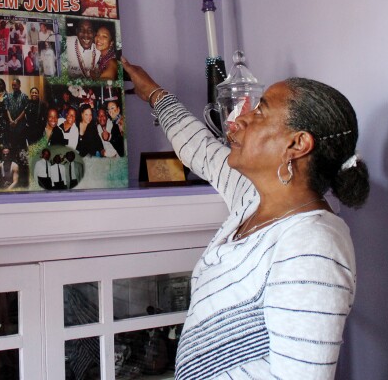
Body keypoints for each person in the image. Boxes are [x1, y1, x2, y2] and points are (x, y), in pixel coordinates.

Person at [122, 56, 370, 379]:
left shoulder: (313, 245)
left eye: (260, 112)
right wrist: (153, 92)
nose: (237, 120)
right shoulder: (254, 200)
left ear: (297, 144)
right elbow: (201, 150)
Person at [5, 78, 28, 149]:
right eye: (12, 85)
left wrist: (16, 120)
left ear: (19, 85)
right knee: (12, 144)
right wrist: (11, 120)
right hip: (11, 125)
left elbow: (25, 110)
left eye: (15, 85)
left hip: (21, 125)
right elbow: (7, 109)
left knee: (21, 145)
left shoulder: (24, 96)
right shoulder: (8, 96)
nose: (13, 87)